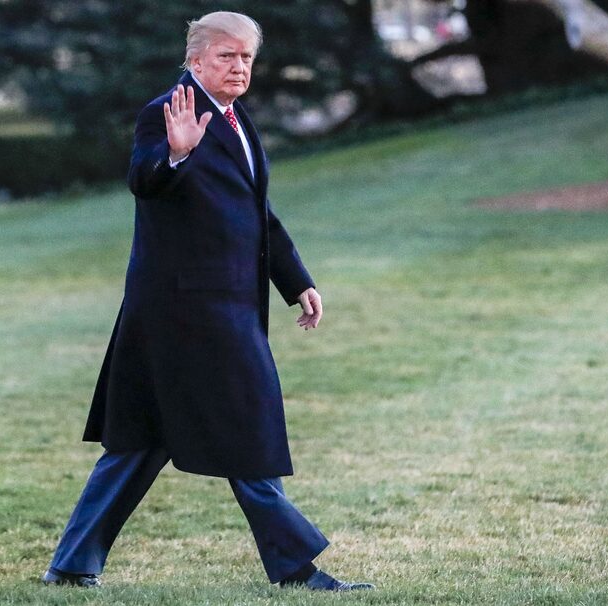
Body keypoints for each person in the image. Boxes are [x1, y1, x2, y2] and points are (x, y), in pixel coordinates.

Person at [40, 11, 373, 592]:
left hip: (220, 307)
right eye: (226, 56)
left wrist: (297, 282)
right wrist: (177, 154)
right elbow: (144, 182)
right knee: (245, 428)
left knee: (142, 442)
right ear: (196, 61)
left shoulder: (237, 117)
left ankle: (70, 565)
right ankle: (297, 567)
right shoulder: (168, 112)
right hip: (184, 312)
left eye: (246, 57)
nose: (239, 66)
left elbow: (254, 213)